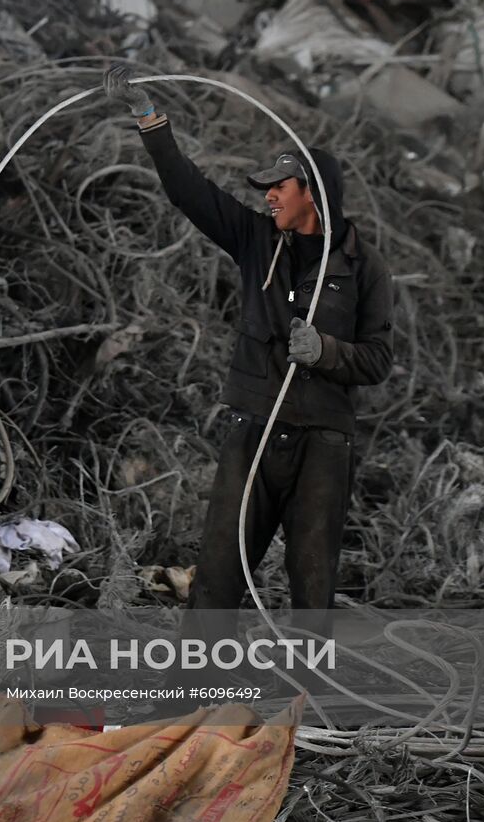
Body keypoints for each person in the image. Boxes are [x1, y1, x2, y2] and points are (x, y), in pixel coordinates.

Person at [103, 66, 394, 632]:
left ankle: (310, 710)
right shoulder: (256, 239)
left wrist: (326, 352)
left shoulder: (366, 267)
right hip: (255, 433)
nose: (268, 197)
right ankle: (192, 699)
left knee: (313, 587)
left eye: (279, 188)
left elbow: (379, 359)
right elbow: (189, 190)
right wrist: (148, 118)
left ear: (313, 194)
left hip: (324, 446)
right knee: (217, 575)